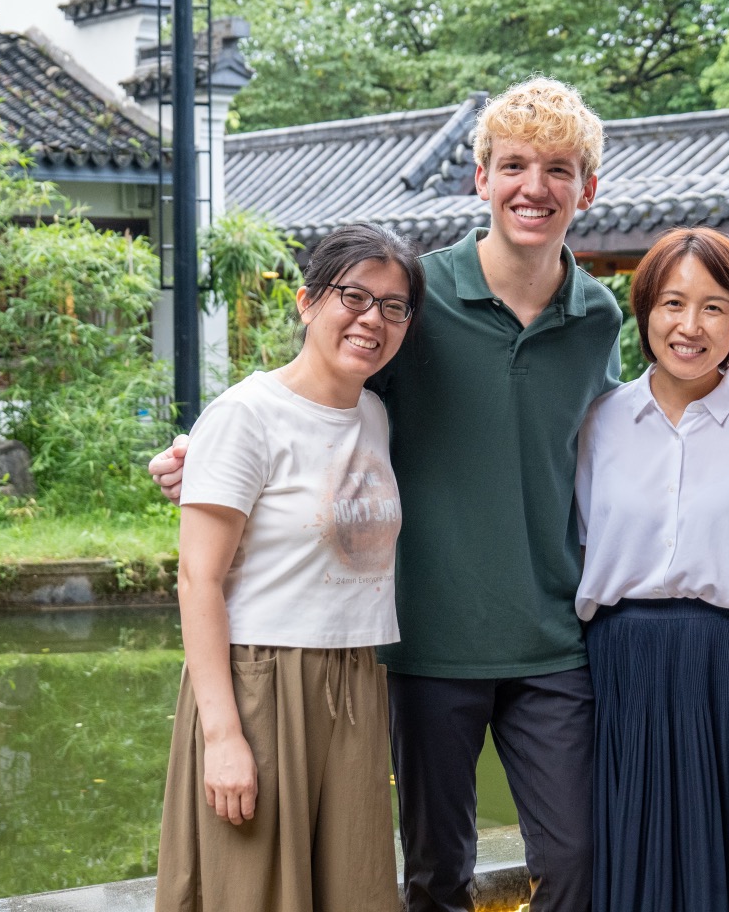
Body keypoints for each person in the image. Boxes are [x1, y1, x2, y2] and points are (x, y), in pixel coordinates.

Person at [152, 76, 622, 912]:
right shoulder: (414, 299)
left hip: (552, 637)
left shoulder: (598, 318)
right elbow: (318, 393)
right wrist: (205, 451)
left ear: (587, 189)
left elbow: (613, 445)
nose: (535, 187)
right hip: (423, 641)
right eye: (514, 165)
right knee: (435, 871)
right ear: (481, 178)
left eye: (559, 169)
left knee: (581, 858)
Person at [154, 223, 425, 912]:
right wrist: (223, 736)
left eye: (393, 306)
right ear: (307, 302)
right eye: (354, 297)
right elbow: (197, 579)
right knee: (255, 893)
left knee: (357, 892)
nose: (373, 319)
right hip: (261, 680)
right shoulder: (247, 415)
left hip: (356, 677)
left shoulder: (375, 415)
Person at [575, 228, 729, 912]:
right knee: (632, 867)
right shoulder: (597, 422)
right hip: (619, 673)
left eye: (714, 307)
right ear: (646, 312)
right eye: (673, 303)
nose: (690, 326)